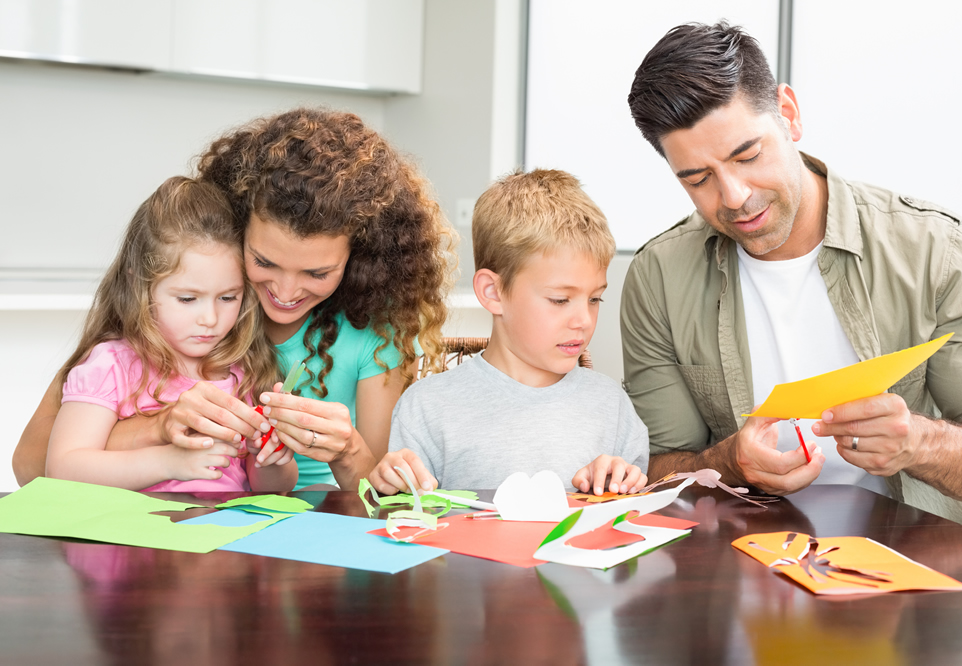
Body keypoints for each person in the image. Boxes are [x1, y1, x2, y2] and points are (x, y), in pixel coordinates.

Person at [621, 22, 962, 534]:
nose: (733, 196)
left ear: (790, 115)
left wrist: (920, 442)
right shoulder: (658, 278)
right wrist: (731, 462)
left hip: (922, 567)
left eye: (748, 155)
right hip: (745, 568)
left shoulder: (933, 249)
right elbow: (655, 473)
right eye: (698, 179)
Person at [14, 109, 454, 492]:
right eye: (263, 262)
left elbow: (379, 491)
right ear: (236, 230)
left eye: (317, 273)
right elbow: (34, 468)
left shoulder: (375, 336)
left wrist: (347, 450)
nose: (284, 293)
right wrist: (162, 428)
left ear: (360, 258)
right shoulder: (167, 321)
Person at [369, 169, 649, 494]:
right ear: (493, 292)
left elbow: (637, 515)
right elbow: (405, 521)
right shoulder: (427, 408)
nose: (583, 320)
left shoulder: (611, 405)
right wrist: (391, 488)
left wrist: (620, 482)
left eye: (594, 299)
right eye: (560, 300)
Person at [45, 177, 296, 492]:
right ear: (142, 287)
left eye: (228, 297)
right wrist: (168, 462)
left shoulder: (243, 367)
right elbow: (62, 468)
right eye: (188, 299)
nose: (210, 319)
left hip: (223, 536)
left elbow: (275, 489)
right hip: (135, 539)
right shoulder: (111, 365)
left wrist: (272, 459)